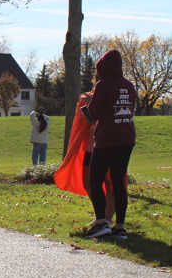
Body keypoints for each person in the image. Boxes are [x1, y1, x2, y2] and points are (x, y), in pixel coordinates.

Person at [82, 50, 136, 239]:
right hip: (127, 138)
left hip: (106, 139)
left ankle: (101, 223)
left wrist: (86, 107)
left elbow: (93, 115)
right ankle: (120, 227)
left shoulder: (103, 85)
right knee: (118, 182)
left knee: (95, 181)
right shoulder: (129, 85)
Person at [54, 88, 117, 231]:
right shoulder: (89, 95)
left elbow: (113, 114)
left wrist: (94, 104)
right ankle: (101, 215)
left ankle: (107, 218)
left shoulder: (113, 92)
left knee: (109, 183)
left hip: (107, 145)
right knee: (88, 183)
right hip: (90, 146)